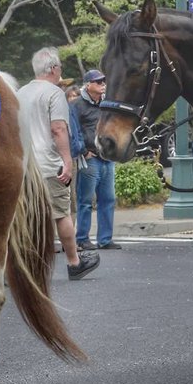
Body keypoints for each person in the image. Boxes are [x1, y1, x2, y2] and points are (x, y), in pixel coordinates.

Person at [17, 48, 100, 280]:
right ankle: (74, 262)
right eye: (60, 67)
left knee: (27, 217)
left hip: (23, 164)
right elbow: (58, 129)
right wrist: (66, 161)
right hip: (48, 164)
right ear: (53, 69)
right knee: (61, 213)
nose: (60, 70)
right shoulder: (54, 93)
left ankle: (24, 264)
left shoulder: (20, 92)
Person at [73, 69, 120, 250]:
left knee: (108, 199)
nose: (102, 84)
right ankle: (82, 239)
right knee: (85, 201)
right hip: (90, 157)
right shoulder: (77, 105)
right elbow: (73, 130)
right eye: (98, 82)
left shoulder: (108, 104)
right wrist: (83, 151)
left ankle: (105, 239)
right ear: (88, 85)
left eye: (103, 81)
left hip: (107, 157)